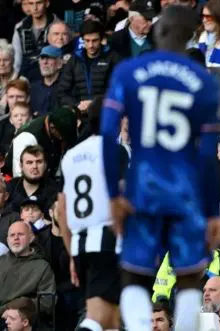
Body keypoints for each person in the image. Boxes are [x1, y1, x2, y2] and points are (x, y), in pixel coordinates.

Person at [100, 6, 220, 331]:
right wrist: (212, 212)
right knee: (188, 275)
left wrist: (113, 192)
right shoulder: (206, 83)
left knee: (135, 273)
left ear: (157, 32)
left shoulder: (127, 71)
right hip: (187, 190)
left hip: (143, 186)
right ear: (192, 36)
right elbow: (209, 156)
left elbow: (108, 135)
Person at [55, 98, 125, 331]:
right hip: (108, 241)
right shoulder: (115, 151)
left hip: (80, 244)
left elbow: (61, 209)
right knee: (98, 318)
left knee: (113, 319)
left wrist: (72, 253)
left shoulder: (70, 156)